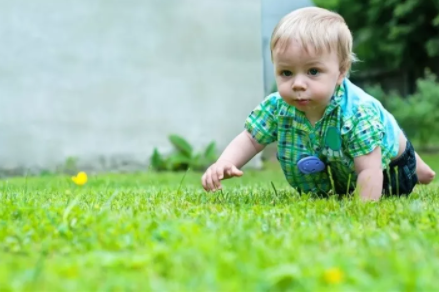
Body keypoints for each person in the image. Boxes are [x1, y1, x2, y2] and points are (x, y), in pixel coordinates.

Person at [201, 6, 436, 201]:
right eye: (286, 72)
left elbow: (368, 169)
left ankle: (418, 168)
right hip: (344, 162)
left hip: (387, 169)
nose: (298, 84)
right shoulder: (277, 108)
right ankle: (421, 168)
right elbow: (251, 139)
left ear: (341, 71)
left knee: (396, 145)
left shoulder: (357, 114)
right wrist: (224, 163)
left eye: (313, 71)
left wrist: (363, 212)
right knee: (383, 131)